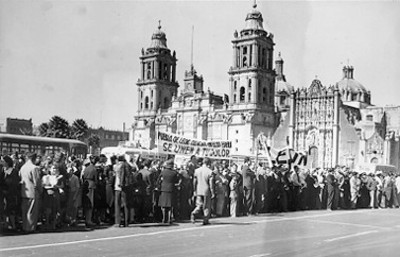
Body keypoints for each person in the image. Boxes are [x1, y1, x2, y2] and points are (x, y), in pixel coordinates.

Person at [20, 152, 42, 233]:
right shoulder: (34, 168)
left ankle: (25, 226)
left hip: (24, 191)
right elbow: (37, 182)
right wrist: (40, 190)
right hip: (33, 192)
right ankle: (30, 228)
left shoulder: (23, 167)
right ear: (34, 158)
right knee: (32, 211)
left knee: (25, 211)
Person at [191, 157, 215, 225]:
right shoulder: (210, 172)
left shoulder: (197, 170)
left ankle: (194, 212)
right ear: (209, 163)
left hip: (199, 189)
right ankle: (205, 219)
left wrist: (194, 190)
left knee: (199, 205)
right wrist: (212, 192)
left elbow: (194, 181)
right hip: (206, 190)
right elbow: (211, 183)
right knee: (206, 206)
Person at [157, 159, 179, 224]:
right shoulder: (174, 172)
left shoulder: (163, 172)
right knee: (170, 206)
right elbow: (177, 181)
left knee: (163, 206)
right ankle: (169, 219)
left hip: (163, 189)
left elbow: (158, 180)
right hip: (171, 189)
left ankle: (164, 219)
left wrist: (158, 187)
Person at [1, 155, 20, 230]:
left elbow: (14, 183)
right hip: (3, 194)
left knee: (11, 210)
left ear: (7, 162)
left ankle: (13, 225)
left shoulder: (14, 171)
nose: (1, 162)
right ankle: (6, 224)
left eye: (3, 161)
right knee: (4, 210)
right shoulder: (2, 170)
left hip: (11, 194)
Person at [114, 155, 131, 227]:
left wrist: (121, 184)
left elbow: (121, 175)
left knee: (117, 204)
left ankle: (118, 221)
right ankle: (126, 221)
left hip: (119, 186)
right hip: (126, 186)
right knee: (126, 204)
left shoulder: (119, 166)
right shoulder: (127, 165)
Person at [82, 156, 98, 227]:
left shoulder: (86, 168)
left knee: (86, 204)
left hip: (85, 185)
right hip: (91, 186)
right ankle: (89, 220)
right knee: (90, 204)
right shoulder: (94, 169)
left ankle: (87, 219)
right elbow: (96, 179)